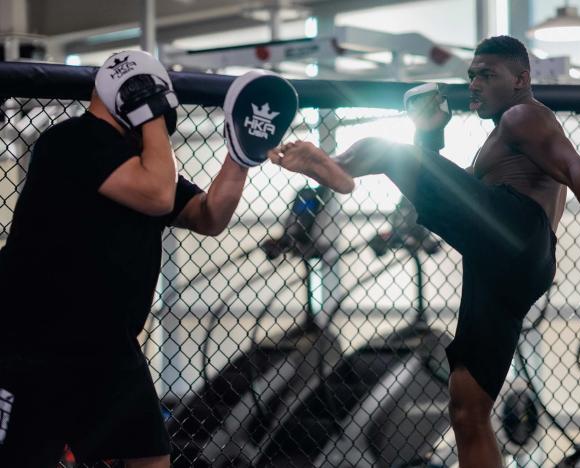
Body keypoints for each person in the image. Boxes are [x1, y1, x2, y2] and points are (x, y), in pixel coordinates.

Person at [267, 35, 580, 467]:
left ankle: (333, 166)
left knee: (389, 151)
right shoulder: (497, 144)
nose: (474, 84)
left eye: (487, 75)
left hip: (515, 233)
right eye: (471, 76)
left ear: (521, 79)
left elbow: (575, 167)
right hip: (504, 266)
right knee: (468, 406)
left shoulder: (524, 116)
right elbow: (448, 195)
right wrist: (431, 137)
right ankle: (336, 165)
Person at [0, 52, 350, 468]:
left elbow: (209, 216)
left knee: (150, 459)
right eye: (151, 94)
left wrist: (240, 158)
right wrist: (152, 116)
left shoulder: (142, 162)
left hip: (110, 348)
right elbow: (158, 196)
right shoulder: (71, 140)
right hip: (35, 341)